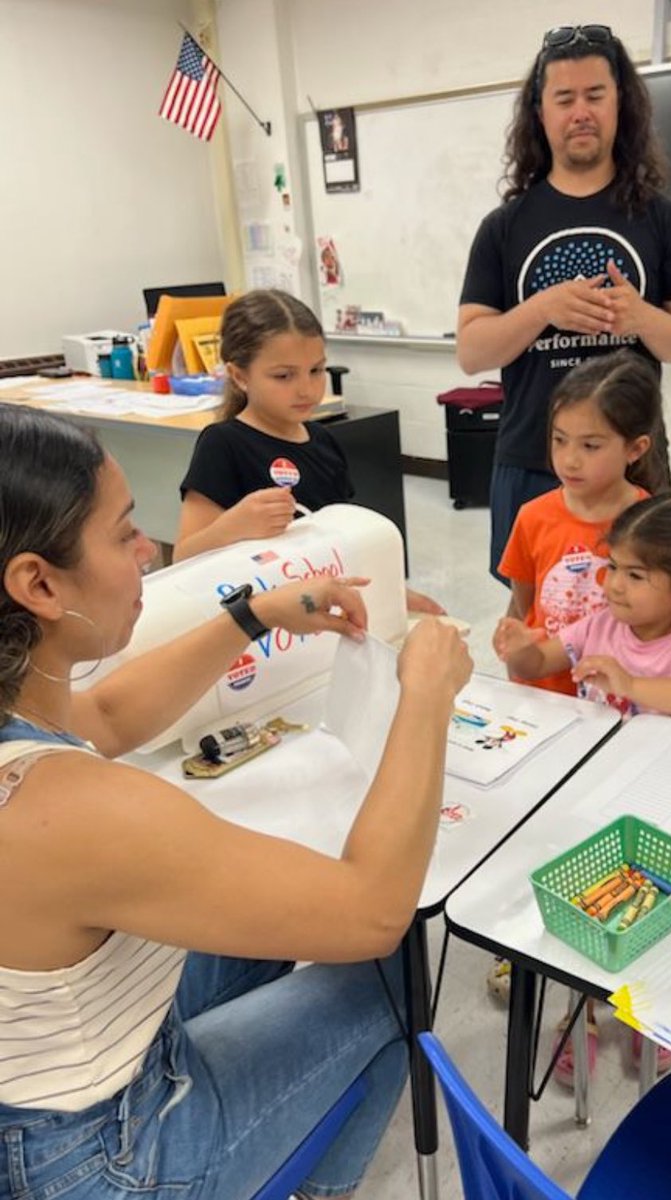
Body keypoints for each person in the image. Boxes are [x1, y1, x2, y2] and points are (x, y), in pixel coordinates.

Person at [0, 407, 472, 1200]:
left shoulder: (25, 727)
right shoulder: (68, 806)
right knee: (392, 970)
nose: (148, 549)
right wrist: (425, 693)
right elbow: (372, 912)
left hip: (35, 1089)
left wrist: (253, 614)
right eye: (123, 533)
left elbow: (107, 716)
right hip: (99, 1159)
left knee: (274, 932)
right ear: (38, 583)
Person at [492, 492, 671, 1078]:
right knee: (590, 907)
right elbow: (539, 663)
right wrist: (520, 651)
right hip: (593, 793)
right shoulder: (600, 624)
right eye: (612, 567)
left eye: (635, 574)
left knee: (647, 909)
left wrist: (632, 684)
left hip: (659, 804)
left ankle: (640, 1010)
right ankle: (580, 1013)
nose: (613, 585)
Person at [457, 24, 671, 579]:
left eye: (595, 95)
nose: (581, 113)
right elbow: (472, 352)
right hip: (532, 459)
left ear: (621, 104)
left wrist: (639, 316)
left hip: (631, 463)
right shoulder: (503, 228)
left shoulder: (663, 219)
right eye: (564, 98)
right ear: (540, 112)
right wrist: (541, 309)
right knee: (531, 613)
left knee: (641, 607)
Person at [174, 288, 442, 614]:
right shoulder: (223, 444)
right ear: (239, 376)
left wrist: (394, 591)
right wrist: (234, 525)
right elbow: (183, 559)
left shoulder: (323, 440)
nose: (306, 389)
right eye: (283, 376)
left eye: (316, 370)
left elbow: (343, 542)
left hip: (328, 611)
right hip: (269, 623)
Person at [497, 350, 664, 698]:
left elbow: (659, 619)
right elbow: (524, 605)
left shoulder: (651, 523)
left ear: (635, 449)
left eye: (590, 446)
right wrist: (515, 648)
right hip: (543, 690)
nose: (569, 460)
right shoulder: (533, 516)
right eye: (559, 440)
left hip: (614, 694)